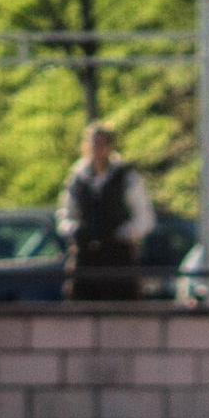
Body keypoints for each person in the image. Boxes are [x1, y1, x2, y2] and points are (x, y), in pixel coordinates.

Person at [58, 122, 155, 301]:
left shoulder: (125, 177)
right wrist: (76, 230)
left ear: (111, 147)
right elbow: (65, 214)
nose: (98, 149)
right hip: (86, 257)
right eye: (94, 144)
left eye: (103, 144)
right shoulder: (78, 177)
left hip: (118, 257)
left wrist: (124, 233)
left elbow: (145, 217)